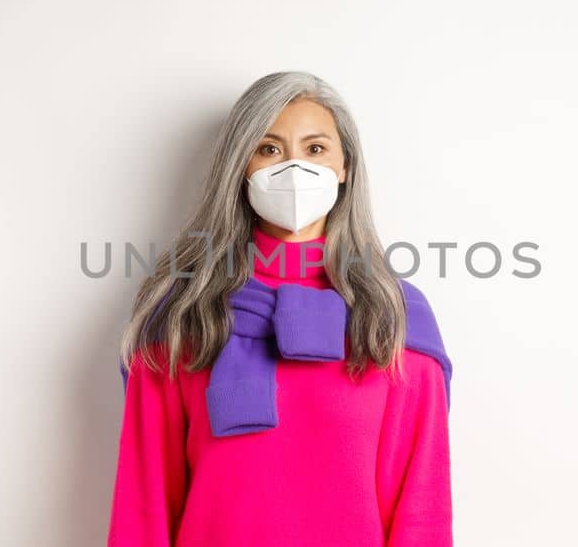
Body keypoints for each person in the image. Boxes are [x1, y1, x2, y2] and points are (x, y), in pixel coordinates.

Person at [107, 71, 453, 546]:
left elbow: (420, 504)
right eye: (269, 149)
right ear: (241, 165)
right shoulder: (183, 312)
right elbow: (143, 503)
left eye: (315, 149)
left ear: (345, 166)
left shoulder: (394, 316)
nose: (293, 168)